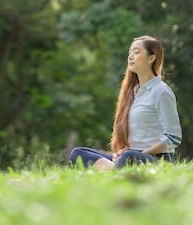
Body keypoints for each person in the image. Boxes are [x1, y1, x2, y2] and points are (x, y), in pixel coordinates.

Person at [69, 35, 182, 170]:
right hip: (129, 155)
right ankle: (118, 169)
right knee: (78, 153)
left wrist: (138, 154)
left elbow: (173, 137)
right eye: (130, 52)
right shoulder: (133, 92)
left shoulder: (161, 91)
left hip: (158, 159)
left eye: (136, 52)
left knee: (129, 156)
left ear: (151, 58)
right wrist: (122, 153)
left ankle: (115, 174)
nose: (130, 56)